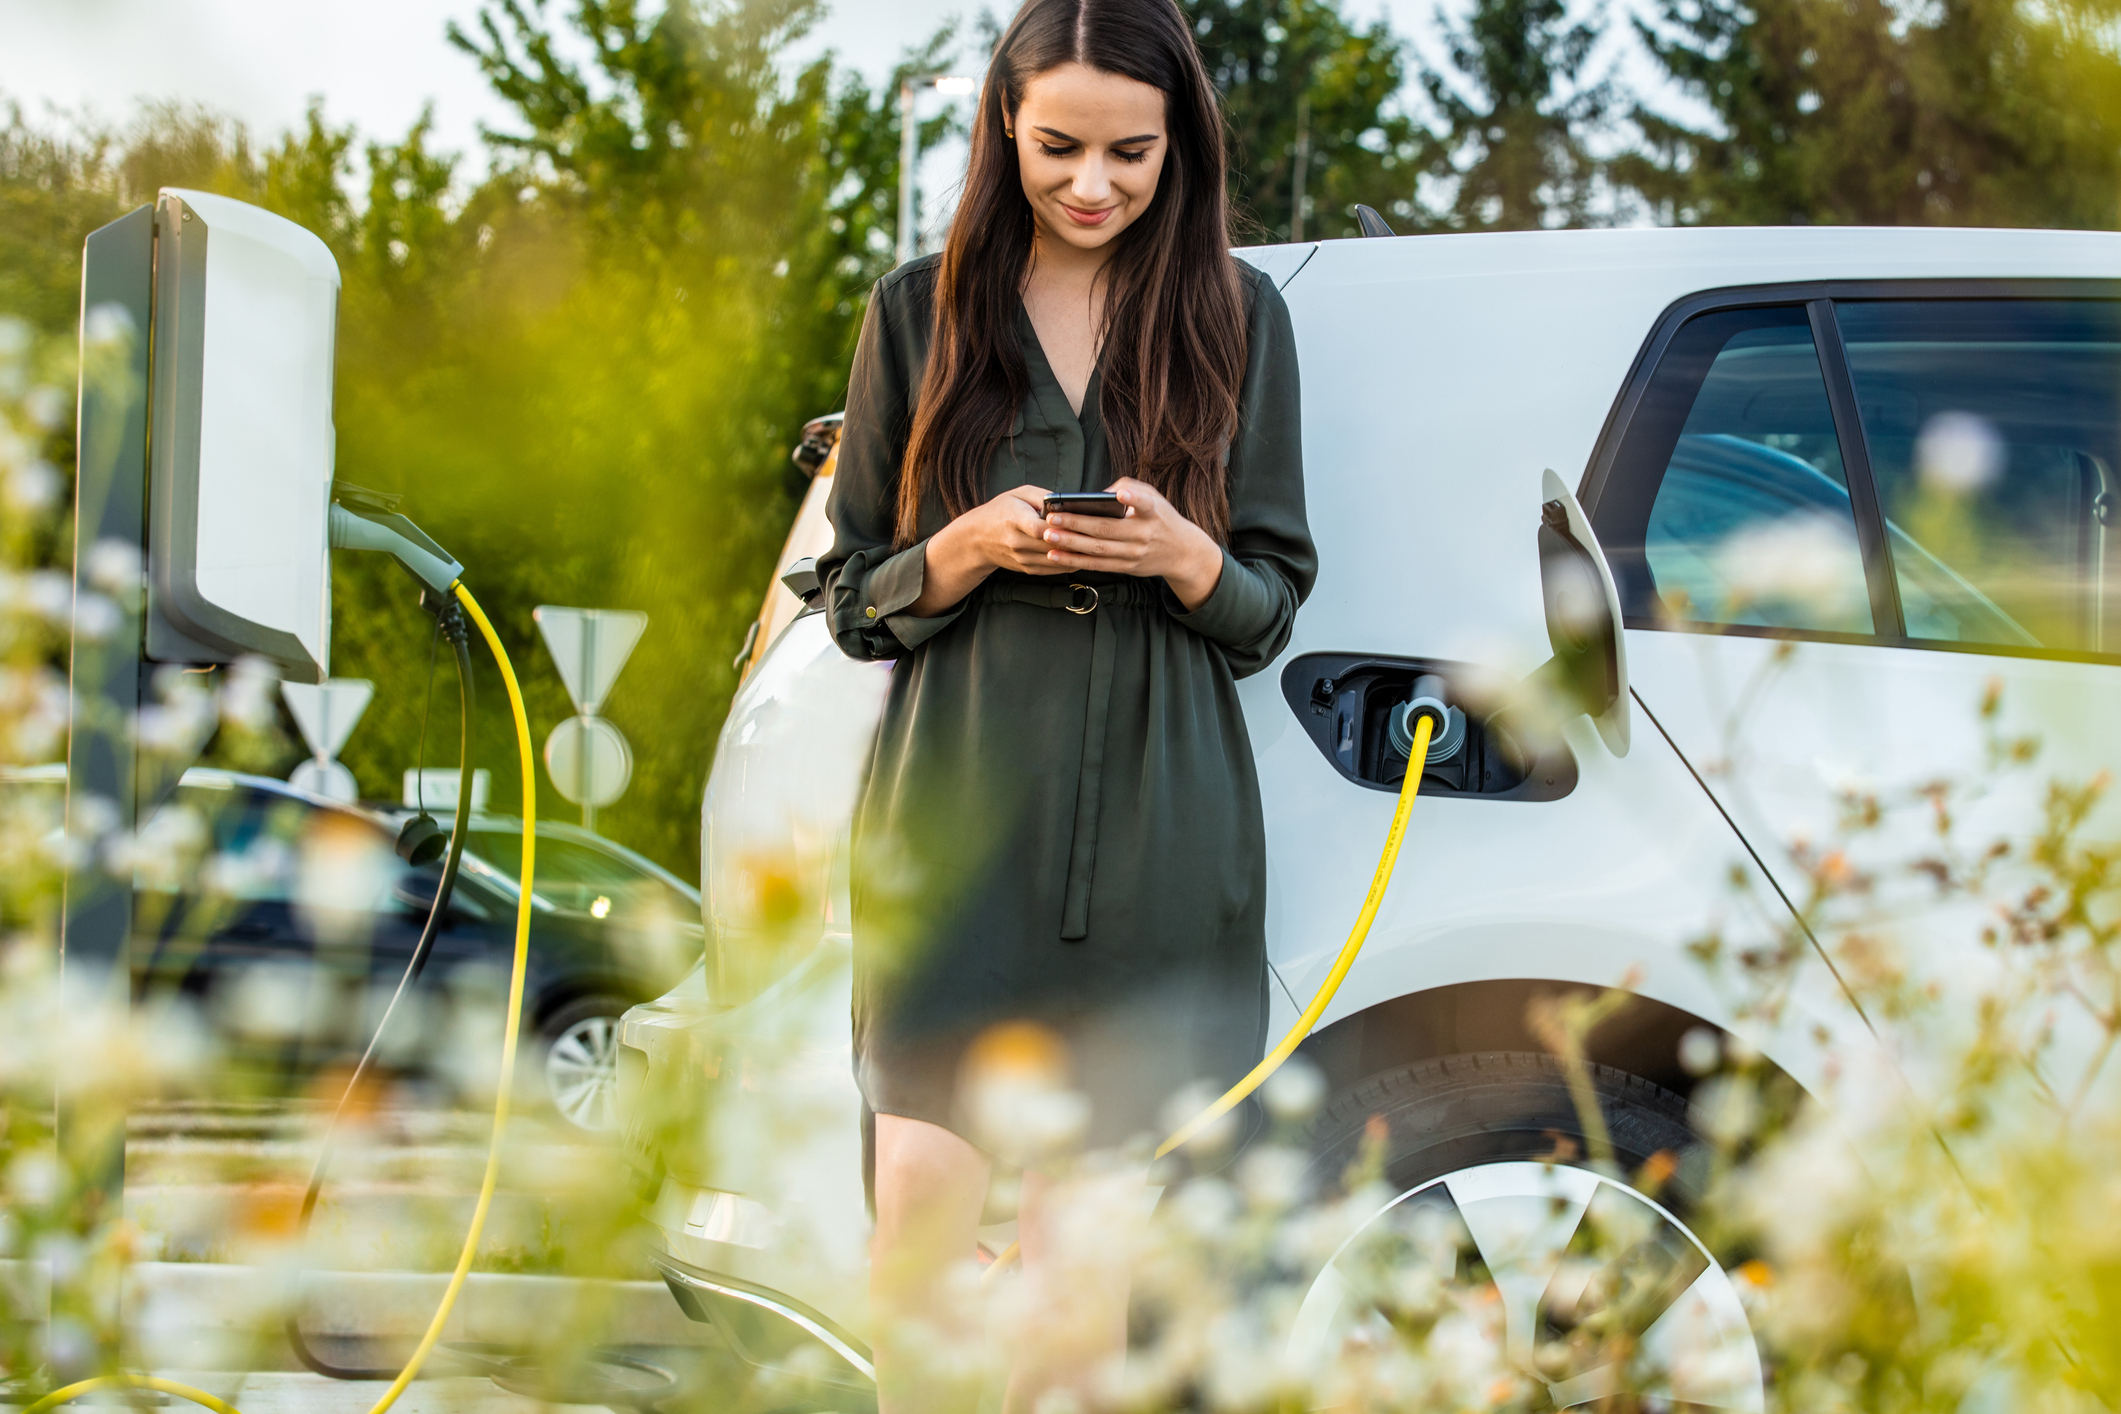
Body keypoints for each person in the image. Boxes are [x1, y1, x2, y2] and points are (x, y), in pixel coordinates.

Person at [817, 0, 1314, 1407]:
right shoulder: (918, 309)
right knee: (915, 1219)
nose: (1093, 185)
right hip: (957, 812)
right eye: (1058, 148)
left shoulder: (1236, 315)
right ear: (1002, 130)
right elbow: (853, 597)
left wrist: (1181, 553)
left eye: (1131, 155)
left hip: (1161, 828)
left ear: (1181, 150)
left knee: (1077, 1282)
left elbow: (1269, 605)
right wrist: (967, 543)